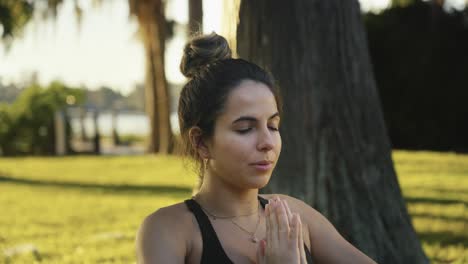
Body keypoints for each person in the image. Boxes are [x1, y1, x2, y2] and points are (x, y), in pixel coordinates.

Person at [135, 32, 376, 264]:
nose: (267, 142)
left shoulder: (294, 216)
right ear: (201, 142)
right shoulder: (168, 230)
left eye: (272, 125)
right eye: (245, 129)